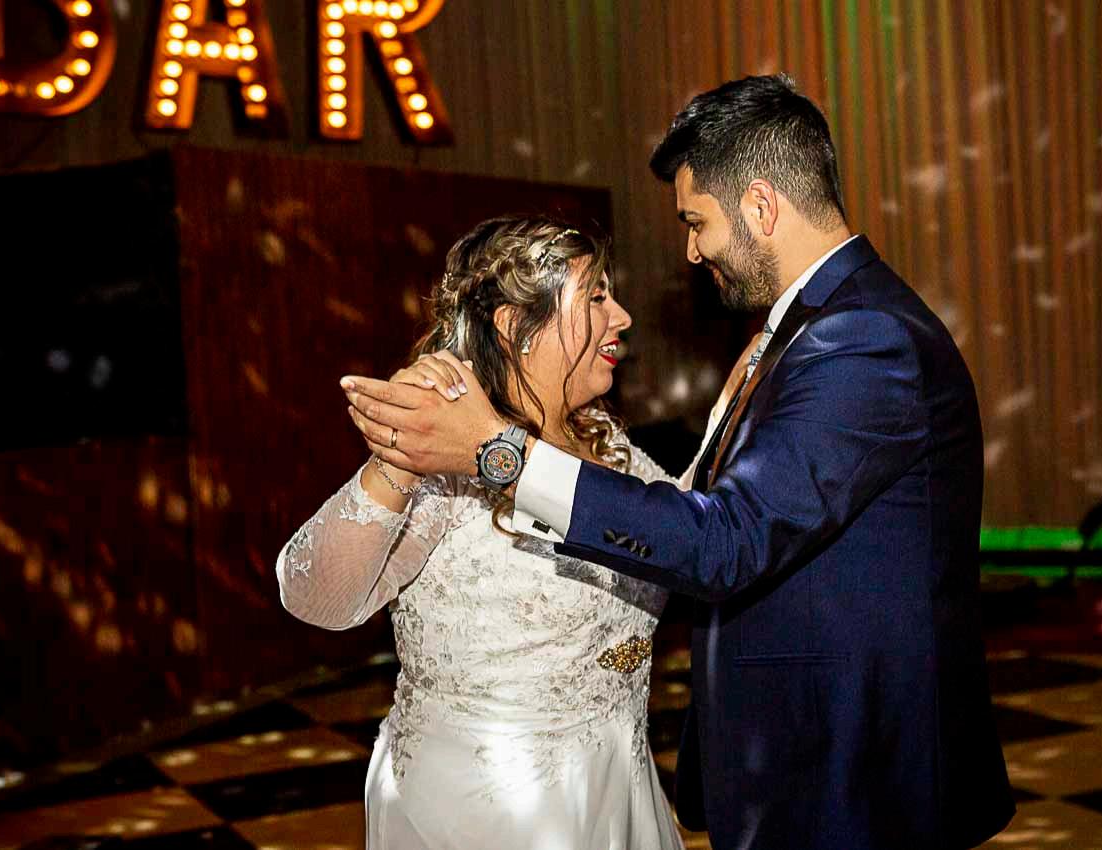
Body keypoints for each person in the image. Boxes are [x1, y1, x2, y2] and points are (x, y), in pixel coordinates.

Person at [345, 74, 1015, 849]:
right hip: (800, 756)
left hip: (855, 769)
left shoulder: (857, 339)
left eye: (697, 222)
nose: (692, 251)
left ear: (760, 206)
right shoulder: (812, 330)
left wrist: (500, 455)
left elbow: (726, 541)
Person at [276, 216, 685, 849]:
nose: (622, 317)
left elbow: (690, 535)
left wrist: (733, 409)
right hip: (486, 810)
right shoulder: (444, 470)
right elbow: (316, 598)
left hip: (617, 784)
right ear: (517, 325)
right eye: (597, 297)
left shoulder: (608, 442)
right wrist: (397, 458)